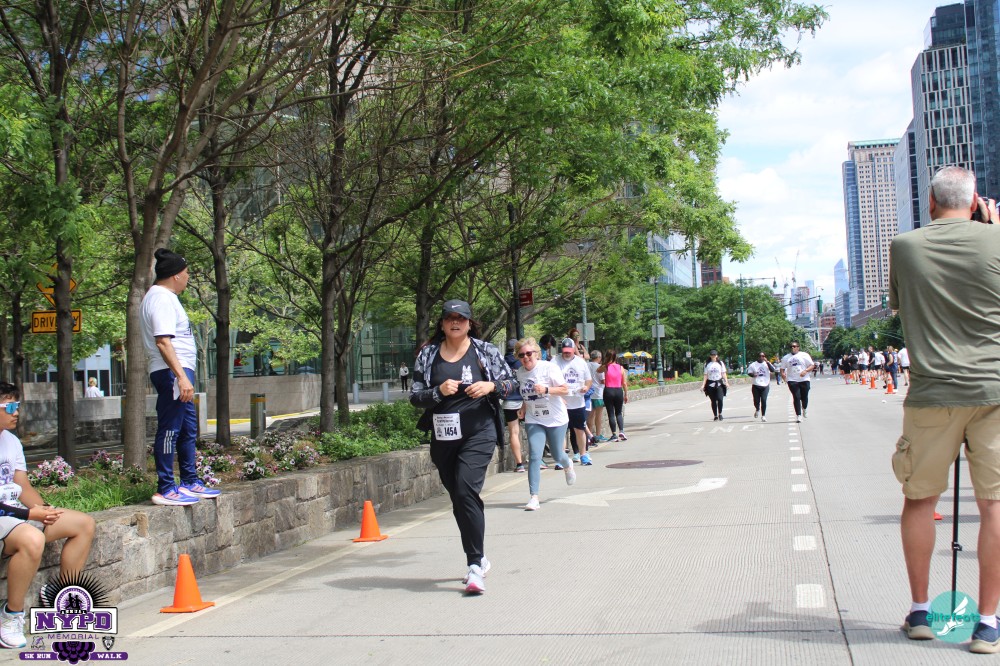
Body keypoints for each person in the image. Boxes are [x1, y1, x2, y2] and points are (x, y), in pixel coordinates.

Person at [889, 165, 1000, 652]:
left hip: (932, 393)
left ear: (930, 202)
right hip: (995, 390)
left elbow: (899, 303)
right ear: (975, 203)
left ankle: (920, 612)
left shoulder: (905, 246)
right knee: (994, 506)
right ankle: (988, 623)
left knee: (920, 500)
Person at [409, 300, 518, 594]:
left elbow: (512, 383)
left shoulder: (485, 351)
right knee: (460, 497)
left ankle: (474, 565)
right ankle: (480, 556)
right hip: (444, 436)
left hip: (479, 431)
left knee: (465, 489)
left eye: (461, 318)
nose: (455, 322)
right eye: (450, 318)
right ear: (442, 323)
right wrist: (437, 391)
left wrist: (491, 386)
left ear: (470, 323)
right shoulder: (428, 354)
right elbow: (415, 396)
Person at [0, 383, 96, 649]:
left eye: (18, 406)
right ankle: (11, 615)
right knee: (32, 539)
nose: (16, 412)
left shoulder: (11, 441)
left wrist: (45, 509)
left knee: (83, 524)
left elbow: (22, 486)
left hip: (16, 514)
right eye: (10, 406)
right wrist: (29, 513)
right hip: (5, 518)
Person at [140, 248, 221, 507]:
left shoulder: (167, 297)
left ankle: (189, 481)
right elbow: (163, 342)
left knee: (188, 429)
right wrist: (180, 377)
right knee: (170, 429)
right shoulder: (161, 298)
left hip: (179, 371)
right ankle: (165, 487)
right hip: (171, 372)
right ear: (175, 275)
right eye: (186, 273)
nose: (187, 278)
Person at [513, 337, 576, 512]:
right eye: (521, 355)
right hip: (534, 418)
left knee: (557, 455)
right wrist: (523, 407)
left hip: (555, 418)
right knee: (535, 455)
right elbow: (527, 394)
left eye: (529, 353)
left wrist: (547, 389)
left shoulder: (549, 368)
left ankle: (567, 464)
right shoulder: (520, 373)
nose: (526, 357)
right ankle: (534, 497)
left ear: (536, 353)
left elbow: (565, 389)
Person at [553, 338, 593, 465]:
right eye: (564, 351)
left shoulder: (581, 362)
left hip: (577, 402)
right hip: (560, 402)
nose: (566, 353)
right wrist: (559, 397)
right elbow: (549, 381)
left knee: (579, 429)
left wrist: (586, 387)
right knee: (561, 431)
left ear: (573, 350)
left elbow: (588, 380)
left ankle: (583, 455)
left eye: (569, 351)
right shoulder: (555, 362)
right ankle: (561, 458)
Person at [502, 339, 525, 472]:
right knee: (532, 429)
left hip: (509, 401)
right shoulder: (522, 361)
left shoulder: (502, 362)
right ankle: (538, 460)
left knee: (514, 433)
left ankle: (519, 464)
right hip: (524, 400)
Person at [780, 341, 815, 423]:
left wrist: (805, 371)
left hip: (804, 379)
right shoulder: (786, 358)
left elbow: (812, 365)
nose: (793, 348)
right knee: (796, 397)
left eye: (794, 346)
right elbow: (782, 368)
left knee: (804, 397)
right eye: (791, 346)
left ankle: (804, 408)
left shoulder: (804, 355)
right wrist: (783, 375)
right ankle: (798, 415)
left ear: (798, 347)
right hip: (792, 380)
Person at [598, 350, 628, 441]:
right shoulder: (621, 368)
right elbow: (624, 383)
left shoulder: (605, 367)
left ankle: (614, 434)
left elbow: (598, 370)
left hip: (608, 391)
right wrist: (626, 394)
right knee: (618, 413)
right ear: (616, 357)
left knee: (611, 413)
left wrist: (605, 362)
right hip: (618, 391)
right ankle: (621, 431)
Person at [746, 352, 776, 422]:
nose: (761, 357)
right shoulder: (753, 364)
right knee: (756, 401)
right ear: (757, 357)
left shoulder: (767, 364)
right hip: (756, 385)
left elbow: (773, 370)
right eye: (760, 356)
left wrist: (767, 362)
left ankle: (763, 415)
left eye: (763, 356)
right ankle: (757, 409)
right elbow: (749, 372)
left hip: (765, 385)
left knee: (764, 400)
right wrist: (753, 375)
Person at [701, 350, 729, 421]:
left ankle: (720, 413)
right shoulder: (707, 364)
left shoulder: (720, 363)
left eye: (714, 355)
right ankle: (715, 415)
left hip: (719, 383)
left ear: (716, 355)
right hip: (710, 384)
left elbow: (723, 373)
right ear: (710, 356)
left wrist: (726, 382)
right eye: (712, 355)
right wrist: (703, 385)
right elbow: (705, 375)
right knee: (713, 400)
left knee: (720, 399)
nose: (713, 356)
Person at [587, 350, 607, 443]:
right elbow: (603, 381)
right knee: (598, 416)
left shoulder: (587, 365)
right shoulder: (599, 367)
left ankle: (590, 436)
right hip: (598, 394)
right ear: (598, 357)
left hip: (589, 394)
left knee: (590, 416)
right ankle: (598, 435)